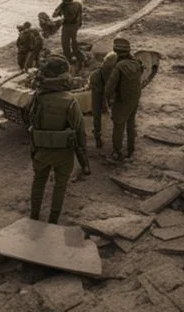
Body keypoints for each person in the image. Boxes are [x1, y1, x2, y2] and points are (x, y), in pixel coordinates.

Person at [28, 56, 89, 225]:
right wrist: (84, 156)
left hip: (41, 149)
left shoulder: (39, 97)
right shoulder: (70, 100)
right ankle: (53, 220)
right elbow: (80, 131)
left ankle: (34, 216)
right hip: (64, 152)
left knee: (38, 181)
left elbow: (30, 119)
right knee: (60, 186)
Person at [104, 38, 144, 162]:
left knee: (118, 126)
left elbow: (109, 87)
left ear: (116, 51)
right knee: (130, 124)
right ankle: (131, 150)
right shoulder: (136, 63)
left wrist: (106, 98)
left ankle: (116, 153)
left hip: (122, 101)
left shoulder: (119, 66)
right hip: (134, 99)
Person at [89, 39, 122, 149]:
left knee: (96, 111)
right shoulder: (117, 65)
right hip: (109, 86)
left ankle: (97, 136)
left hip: (98, 84)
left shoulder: (97, 73)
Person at [52, 0, 84, 65]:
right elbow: (55, 14)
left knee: (67, 42)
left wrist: (60, 17)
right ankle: (78, 57)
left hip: (70, 25)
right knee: (71, 42)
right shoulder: (75, 4)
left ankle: (72, 58)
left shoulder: (69, 5)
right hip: (74, 25)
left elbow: (56, 15)